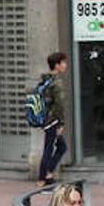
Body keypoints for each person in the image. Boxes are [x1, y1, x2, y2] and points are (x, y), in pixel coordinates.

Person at [37, 51, 68, 185]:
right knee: (50, 148)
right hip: (53, 120)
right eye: (63, 62)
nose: (65, 65)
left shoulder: (46, 80)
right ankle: (42, 178)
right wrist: (61, 123)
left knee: (59, 147)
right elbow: (59, 104)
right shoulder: (56, 83)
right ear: (57, 65)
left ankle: (48, 174)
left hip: (46, 119)